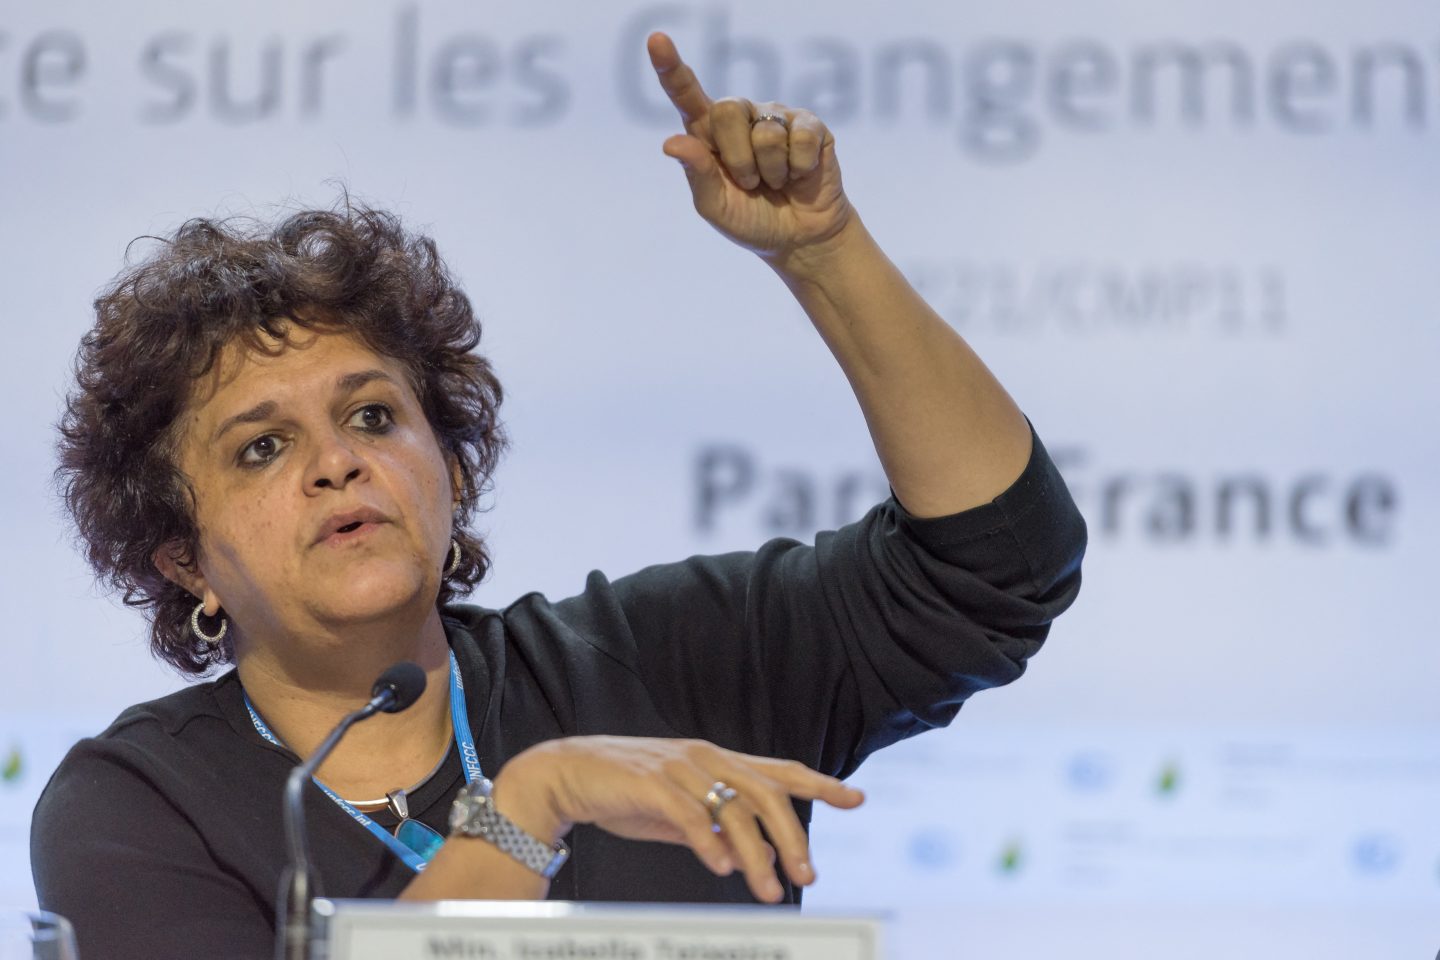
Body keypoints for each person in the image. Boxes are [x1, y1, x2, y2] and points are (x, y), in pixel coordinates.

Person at [31, 31, 1086, 960]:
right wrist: (533, 804)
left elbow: (997, 563)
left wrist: (824, 250)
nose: (337, 463)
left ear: (451, 467)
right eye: (262, 448)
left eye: (373, 416)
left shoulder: (660, 665)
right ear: (184, 555)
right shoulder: (135, 805)